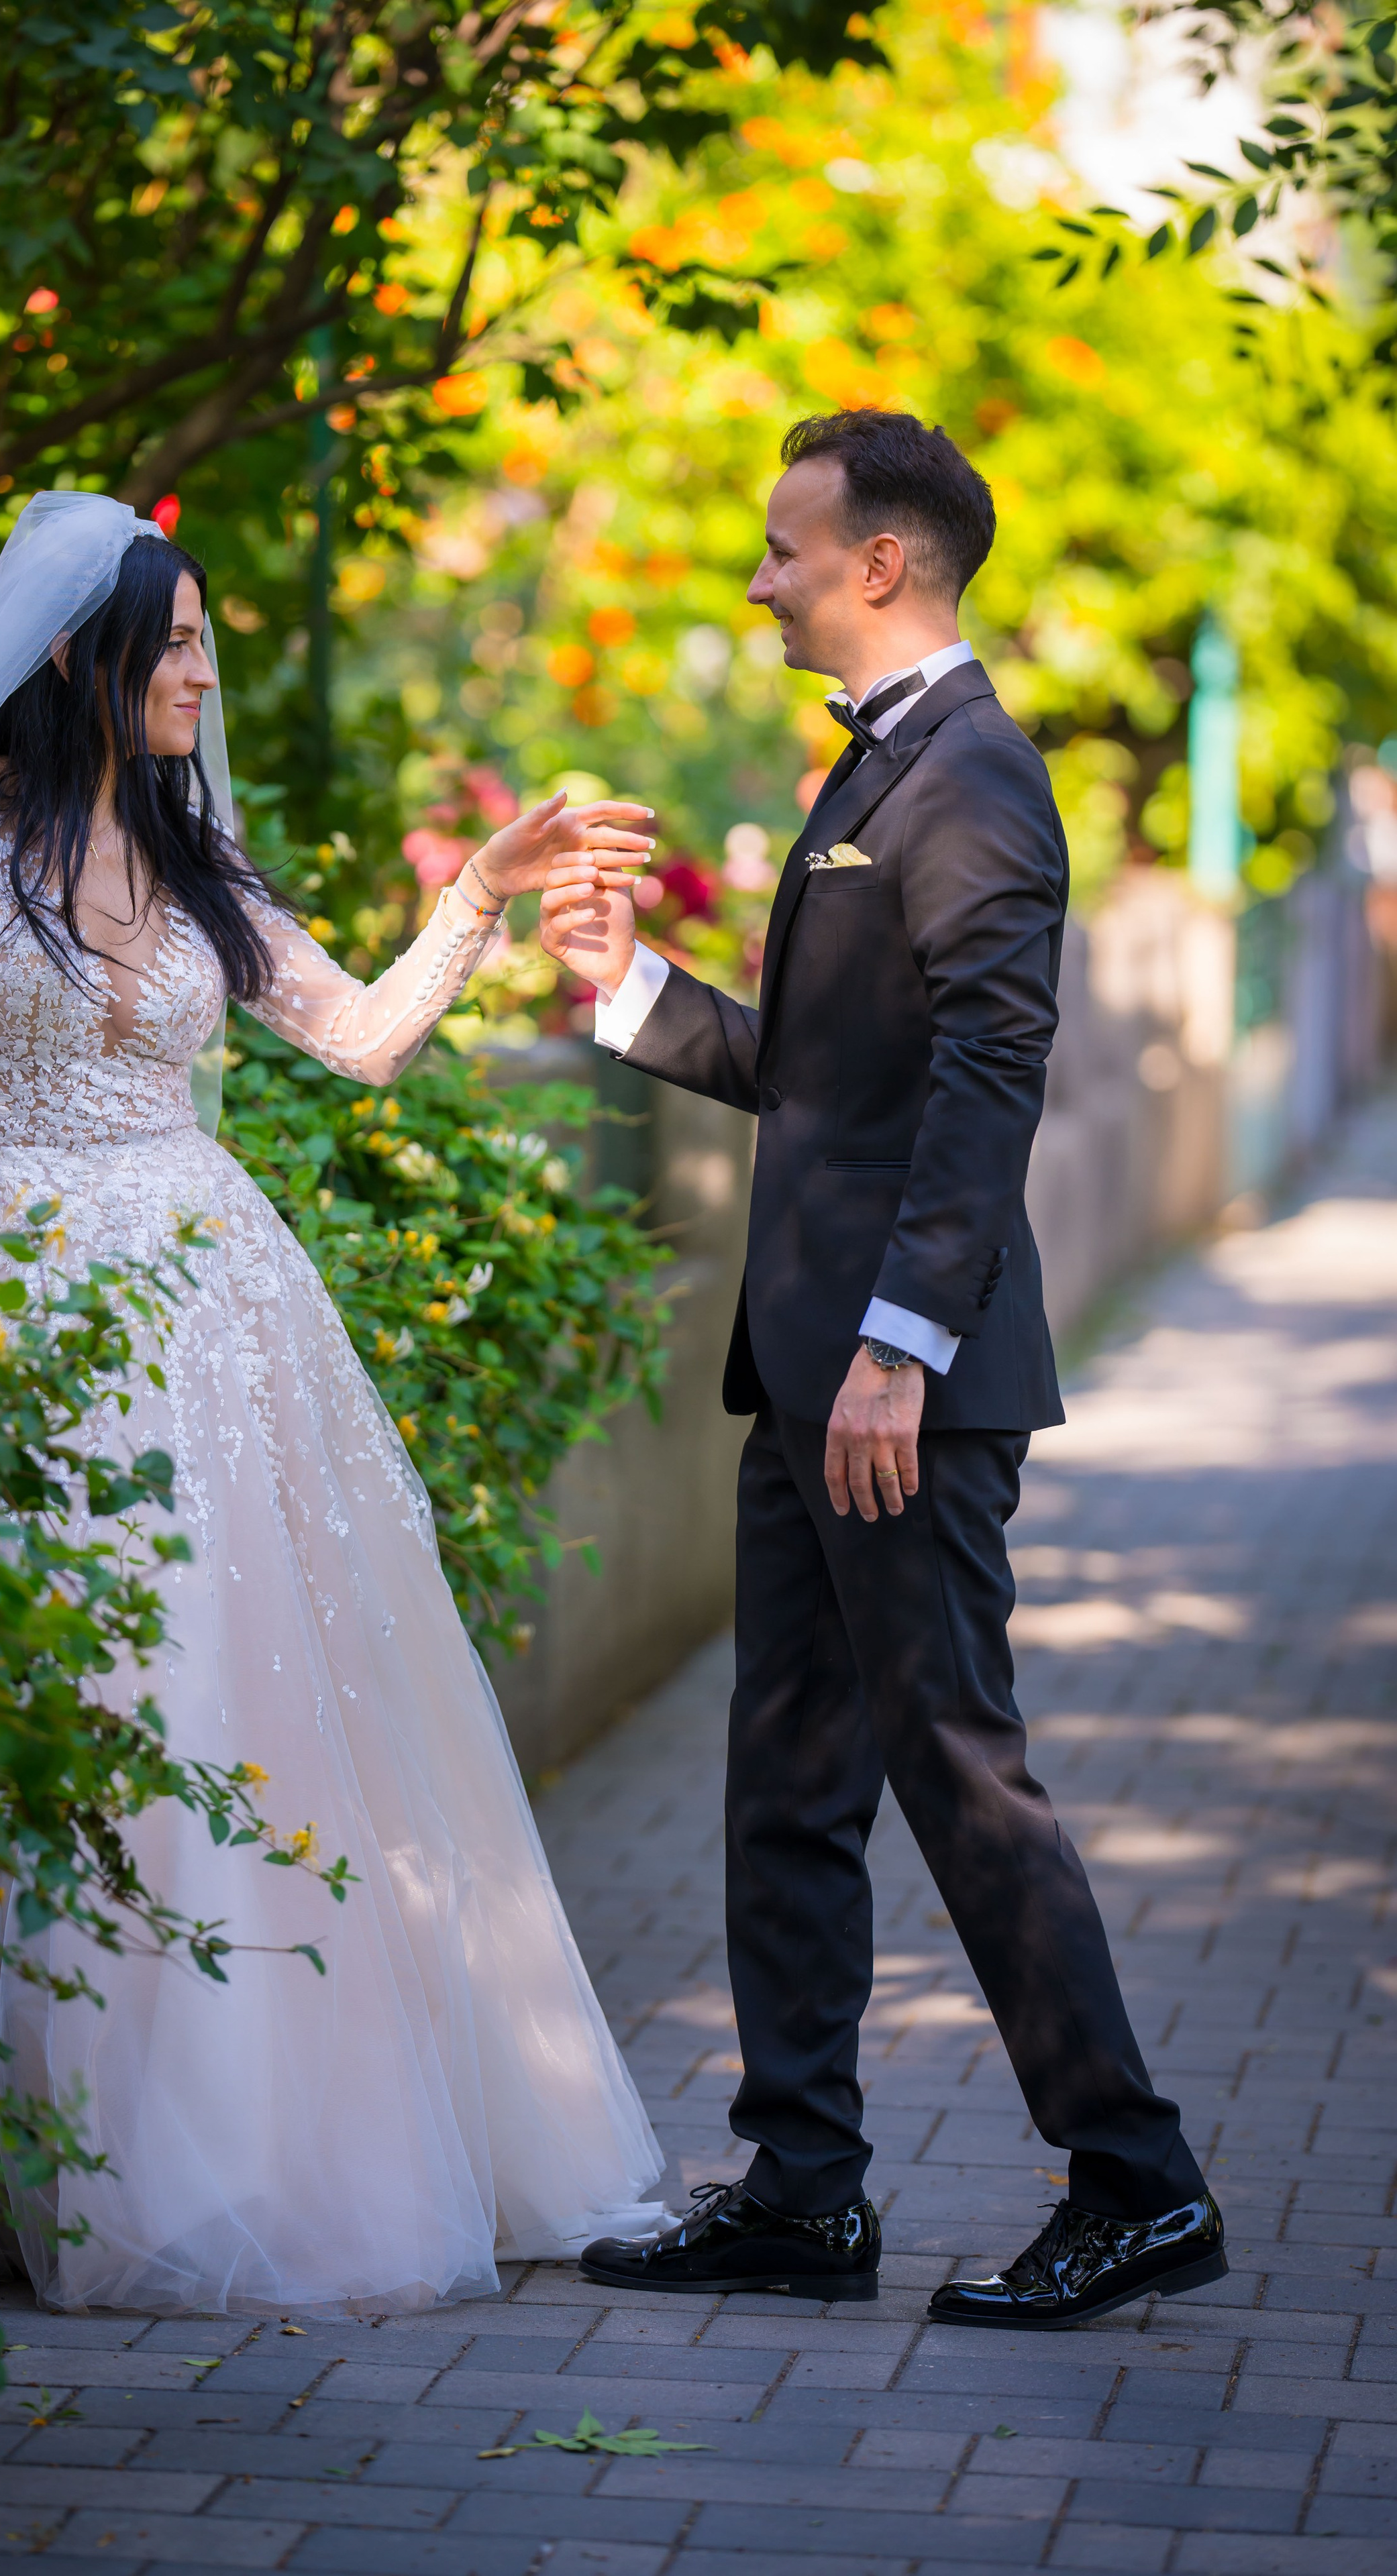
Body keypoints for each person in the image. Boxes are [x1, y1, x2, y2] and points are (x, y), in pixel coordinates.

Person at [0, 489, 668, 2315]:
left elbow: (354, 1039)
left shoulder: (198, 858)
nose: (201, 671)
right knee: (119, 1706)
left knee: (272, 1715)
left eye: (206, 639)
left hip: (228, 1313)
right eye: (174, 641)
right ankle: (138, 2174)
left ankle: (303, 2151)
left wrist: (477, 899)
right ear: (75, 660)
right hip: (31, 1310)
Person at [538, 410, 1224, 2329]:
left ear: (879, 565)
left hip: (893, 1392)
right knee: (790, 1771)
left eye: (780, 547)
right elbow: (823, 1081)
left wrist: (901, 1352)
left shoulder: (974, 783)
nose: (757, 576)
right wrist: (622, 991)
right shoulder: (884, 776)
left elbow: (995, 1083)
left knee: (958, 1772)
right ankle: (803, 2187)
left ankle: (1138, 2180)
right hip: (810, 1373)